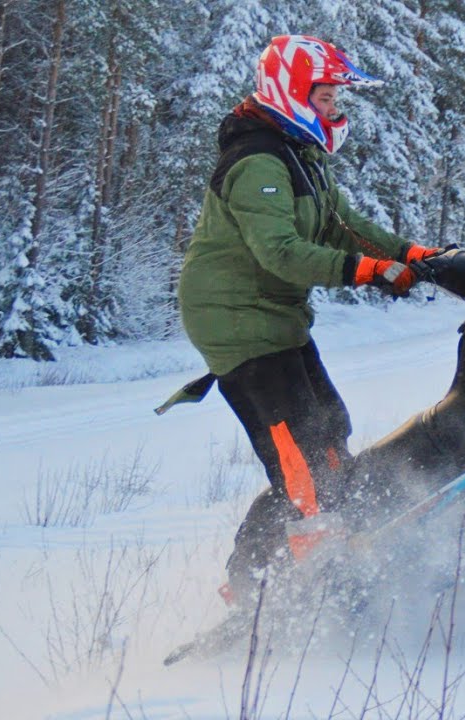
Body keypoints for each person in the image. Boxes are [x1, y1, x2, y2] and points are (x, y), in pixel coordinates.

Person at [175, 35, 443, 606]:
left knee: (328, 441)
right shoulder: (258, 163)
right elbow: (280, 251)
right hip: (235, 321)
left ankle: (259, 577)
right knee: (301, 464)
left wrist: (416, 255)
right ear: (291, 94)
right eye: (325, 98)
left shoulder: (301, 157)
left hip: (276, 318)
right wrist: (365, 271)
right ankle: (298, 587)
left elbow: (345, 223)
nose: (335, 110)